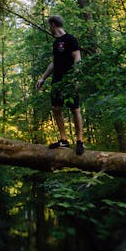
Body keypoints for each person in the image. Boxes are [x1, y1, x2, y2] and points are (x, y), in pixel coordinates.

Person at [35, 15, 85, 155]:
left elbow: (77, 58)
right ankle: (64, 140)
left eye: (49, 26)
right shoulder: (56, 43)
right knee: (56, 108)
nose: (49, 29)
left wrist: (76, 78)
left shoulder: (71, 39)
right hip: (57, 81)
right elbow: (54, 62)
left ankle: (80, 141)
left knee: (75, 109)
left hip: (69, 81)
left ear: (53, 24)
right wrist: (43, 78)